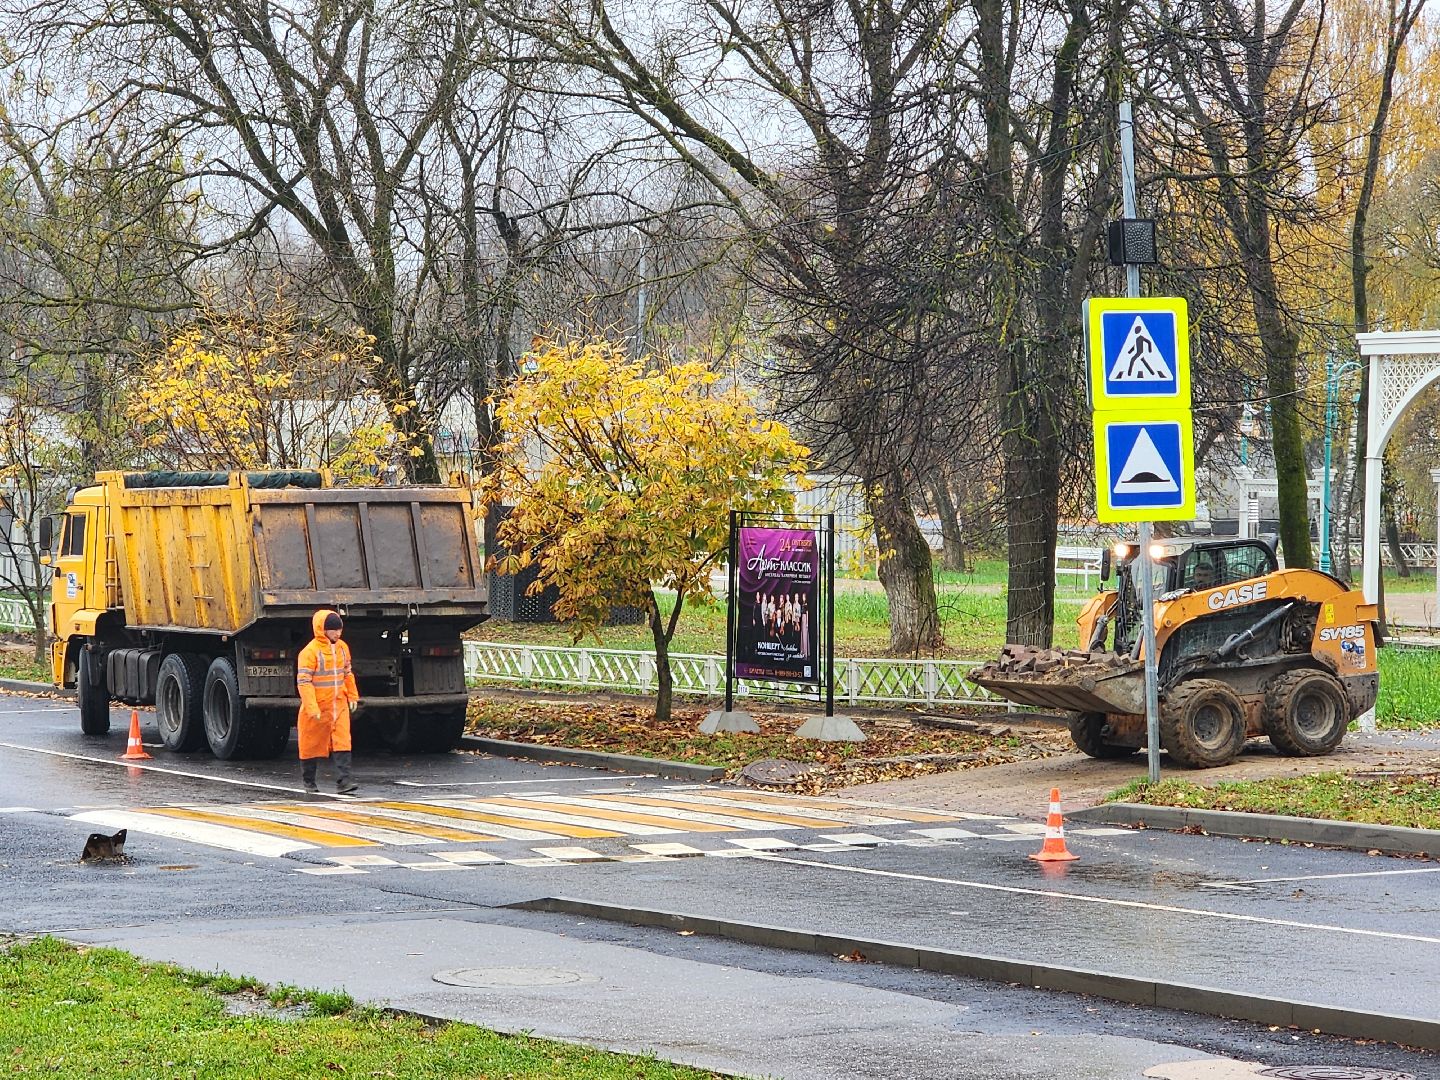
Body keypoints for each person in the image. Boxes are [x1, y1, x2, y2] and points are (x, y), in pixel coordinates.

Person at [297, 609, 360, 795]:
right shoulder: (310, 652)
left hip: (338, 704)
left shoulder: (342, 648)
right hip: (317, 706)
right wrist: (311, 707)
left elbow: (347, 673)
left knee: (343, 740)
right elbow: (304, 682)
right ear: (322, 630)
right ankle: (309, 781)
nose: (338, 633)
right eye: (334, 630)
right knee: (310, 743)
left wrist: (353, 696)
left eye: (339, 630)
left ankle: (345, 781)